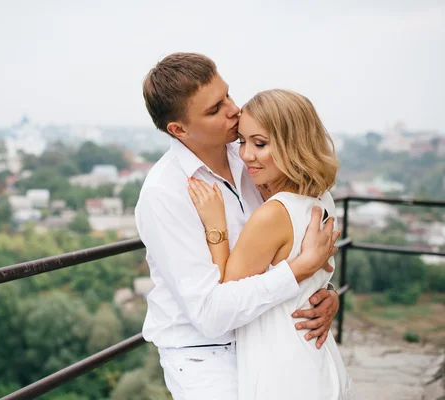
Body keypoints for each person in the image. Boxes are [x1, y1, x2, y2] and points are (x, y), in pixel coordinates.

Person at [135, 52, 341, 399]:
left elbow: (295, 238)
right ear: (179, 129)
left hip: (271, 338)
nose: (233, 109)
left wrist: (325, 293)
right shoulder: (165, 194)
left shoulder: (255, 155)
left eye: (228, 95)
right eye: (215, 109)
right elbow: (211, 314)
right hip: (207, 357)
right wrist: (299, 271)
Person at [187, 89, 352, 399]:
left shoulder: (272, 215)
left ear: (294, 145)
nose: (247, 155)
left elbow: (226, 296)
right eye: (243, 142)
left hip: (284, 370)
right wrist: (330, 294)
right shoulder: (323, 200)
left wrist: (215, 225)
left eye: (260, 144)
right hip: (319, 357)